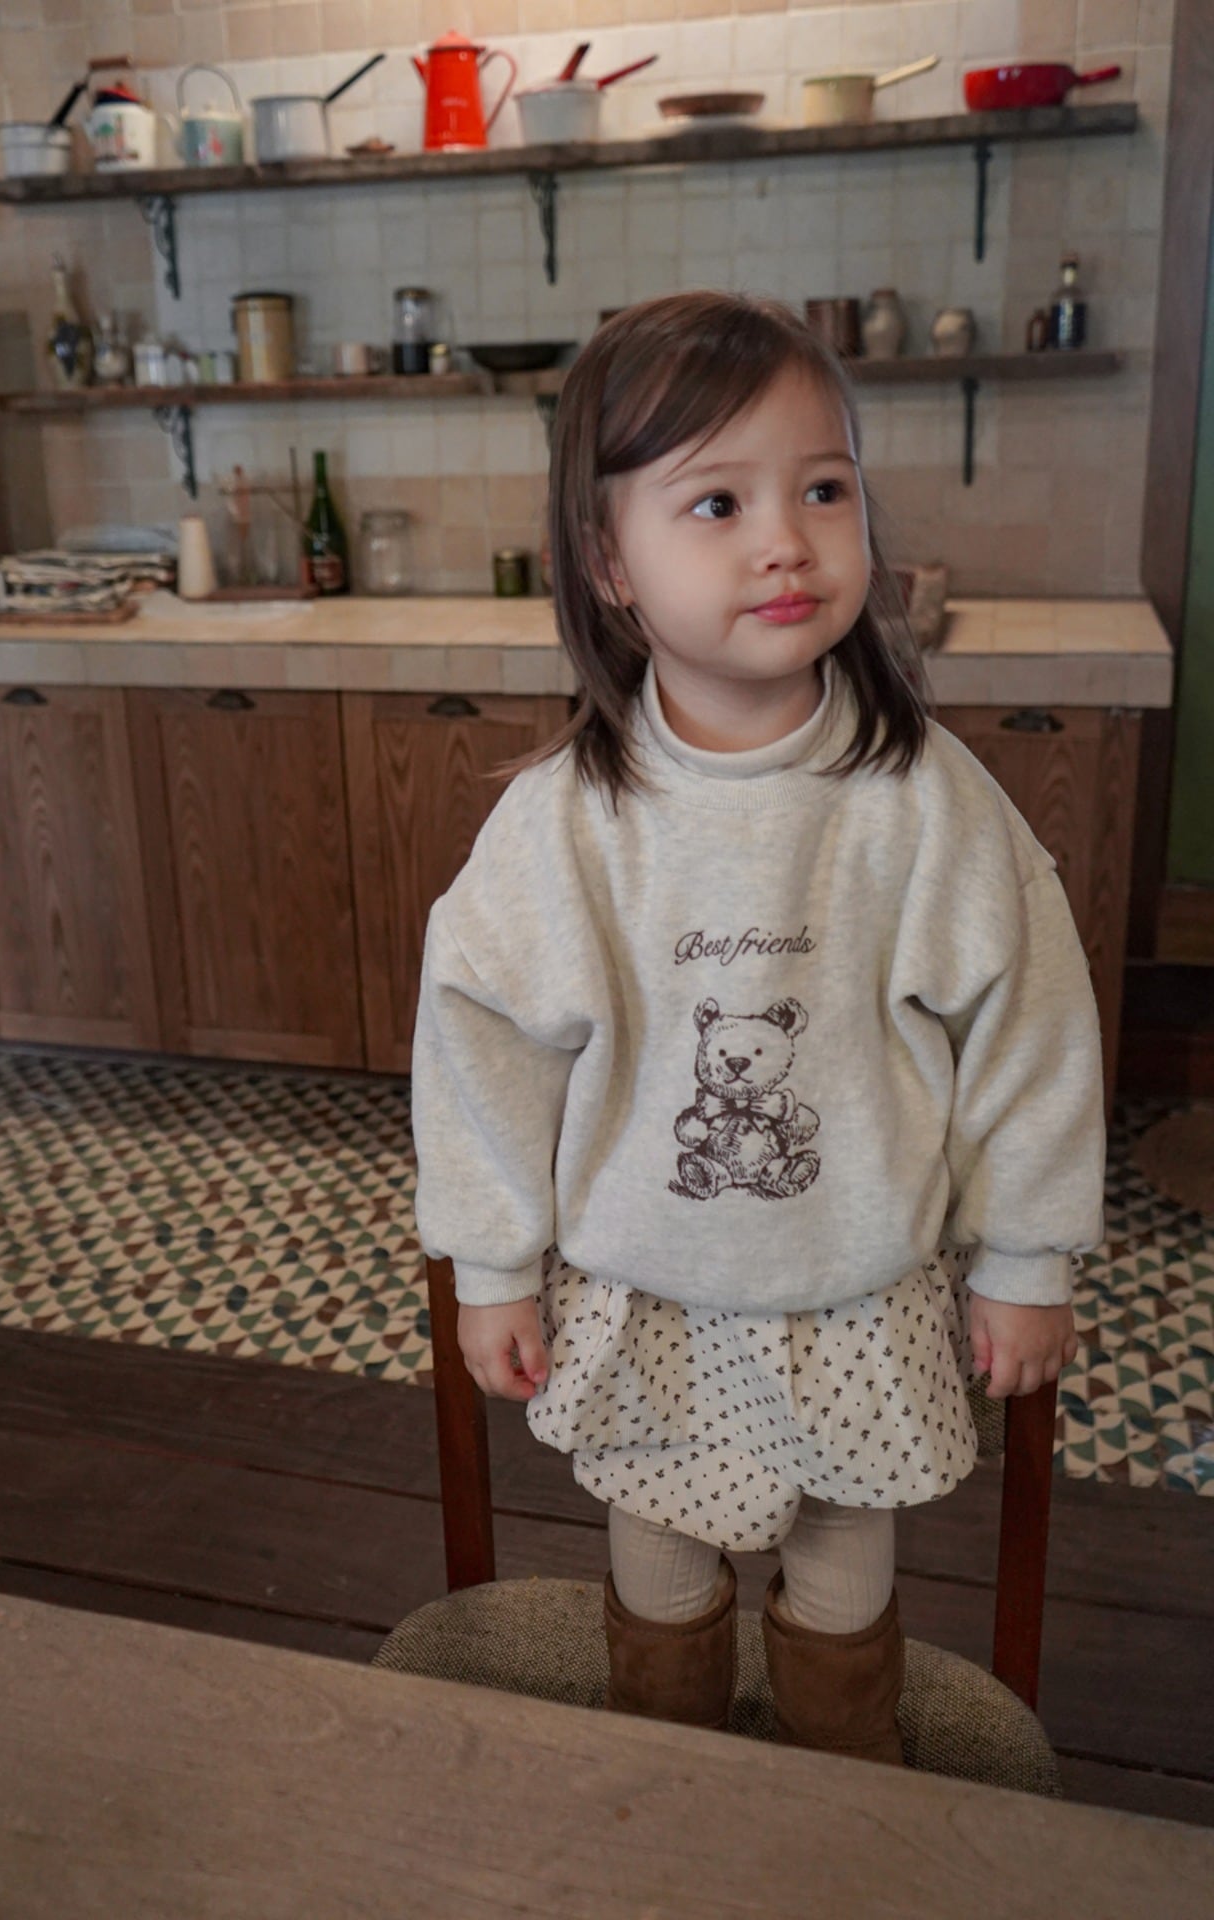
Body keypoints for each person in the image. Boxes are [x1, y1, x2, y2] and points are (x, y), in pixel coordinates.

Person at [411, 292, 1105, 1765]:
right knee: (659, 1583)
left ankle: (843, 1817)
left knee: (845, 1594)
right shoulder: (565, 823)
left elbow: (1031, 1033)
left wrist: (1029, 1258)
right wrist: (492, 1267)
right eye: (717, 502)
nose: (785, 541)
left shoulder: (925, 799)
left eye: (824, 489)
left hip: (861, 1291)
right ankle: (669, 1805)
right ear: (610, 561)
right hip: (646, 1294)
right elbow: (482, 1051)